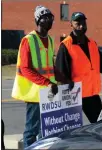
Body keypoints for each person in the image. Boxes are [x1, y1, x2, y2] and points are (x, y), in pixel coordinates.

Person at [11, 6, 67, 148]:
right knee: (32, 129)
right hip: (35, 94)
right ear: (38, 20)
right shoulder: (28, 40)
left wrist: (64, 79)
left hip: (48, 93)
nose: (49, 21)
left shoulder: (49, 39)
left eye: (51, 18)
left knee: (46, 129)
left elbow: (50, 66)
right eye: (46, 18)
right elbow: (25, 68)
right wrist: (47, 82)